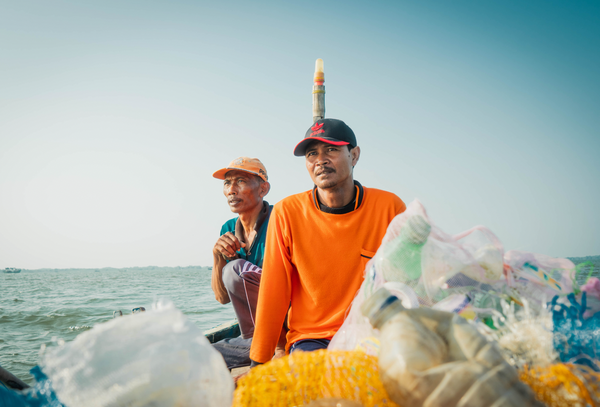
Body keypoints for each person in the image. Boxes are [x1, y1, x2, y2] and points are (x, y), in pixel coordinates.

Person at [249, 118, 407, 366]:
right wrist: (259, 361)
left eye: (331, 150)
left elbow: (407, 280)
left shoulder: (390, 207)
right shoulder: (286, 212)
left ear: (354, 155)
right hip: (313, 338)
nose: (320, 160)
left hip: (373, 332)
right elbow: (274, 291)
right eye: (312, 154)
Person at [210, 156, 281, 369]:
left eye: (240, 181)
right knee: (202, 355)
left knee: (236, 269)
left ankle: (276, 349)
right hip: (255, 335)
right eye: (227, 183)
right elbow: (222, 298)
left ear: (263, 189)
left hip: (285, 328)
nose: (231, 190)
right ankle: (259, 346)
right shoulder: (228, 228)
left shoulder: (281, 219)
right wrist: (217, 256)